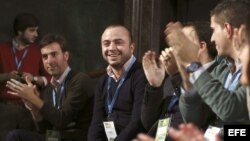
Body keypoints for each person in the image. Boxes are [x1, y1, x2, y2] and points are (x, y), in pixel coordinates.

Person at [165, 0, 250, 128]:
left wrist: (193, 64)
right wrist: (185, 75)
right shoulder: (221, 70)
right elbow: (194, 120)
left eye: (213, 30)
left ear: (227, 29)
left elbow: (231, 110)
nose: (212, 39)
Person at [135, 22, 218, 141]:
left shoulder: (217, 75)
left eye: (181, 41)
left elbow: (197, 119)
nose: (174, 48)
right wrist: (155, 85)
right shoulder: (171, 76)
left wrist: (177, 75)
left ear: (201, 46)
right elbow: (147, 122)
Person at [5, 34, 94, 141]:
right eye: (45, 57)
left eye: (54, 55)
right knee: (16, 133)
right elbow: (45, 130)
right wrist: (34, 108)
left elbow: (62, 119)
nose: (49, 61)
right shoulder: (48, 89)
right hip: (56, 138)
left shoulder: (80, 80)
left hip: (76, 137)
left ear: (66, 56)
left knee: (16, 136)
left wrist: (34, 98)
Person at [87, 25, 147, 141]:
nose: (111, 48)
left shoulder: (142, 75)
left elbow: (137, 122)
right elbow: (96, 123)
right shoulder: (102, 81)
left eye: (118, 42)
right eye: (106, 43)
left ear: (131, 47)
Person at [0, 13, 50, 141]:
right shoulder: (2, 49)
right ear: (19, 31)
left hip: (31, 107)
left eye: (37, 30)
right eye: (32, 30)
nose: (36, 34)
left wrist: (34, 78)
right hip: (6, 108)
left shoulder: (39, 51)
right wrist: (6, 76)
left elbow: (48, 79)